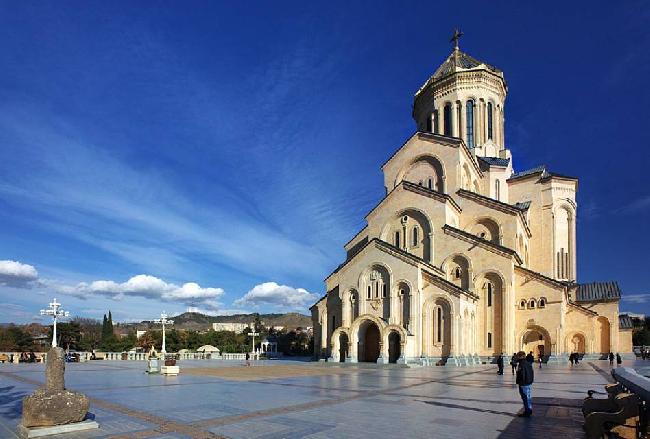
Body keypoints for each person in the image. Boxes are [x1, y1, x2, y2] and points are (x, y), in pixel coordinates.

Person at [516, 351, 534, 417]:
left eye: (518, 356)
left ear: (520, 356)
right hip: (528, 382)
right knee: (528, 397)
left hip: (524, 384)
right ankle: (529, 410)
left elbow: (522, 374)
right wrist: (530, 381)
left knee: (525, 397)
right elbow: (532, 372)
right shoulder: (528, 363)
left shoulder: (522, 364)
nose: (517, 357)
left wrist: (520, 382)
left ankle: (527, 411)